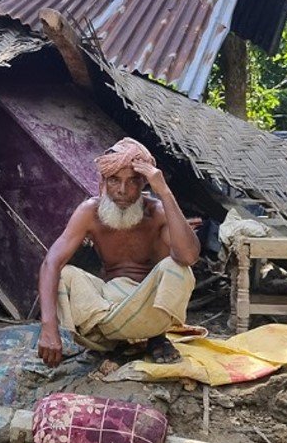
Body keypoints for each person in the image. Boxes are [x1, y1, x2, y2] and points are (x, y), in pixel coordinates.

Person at [36, 137, 200, 368]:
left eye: (132, 181)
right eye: (114, 180)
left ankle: (154, 337)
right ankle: (119, 342)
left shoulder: (157, 212)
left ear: (144, 182)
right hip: (110, 309)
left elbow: (189, 257)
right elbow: (50, 263)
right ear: (103, 180)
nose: (122, 190)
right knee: (64, 274)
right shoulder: (90, 212)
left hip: (151, 308)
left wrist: (164, 192)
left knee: (176, 267)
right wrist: (49, 327)